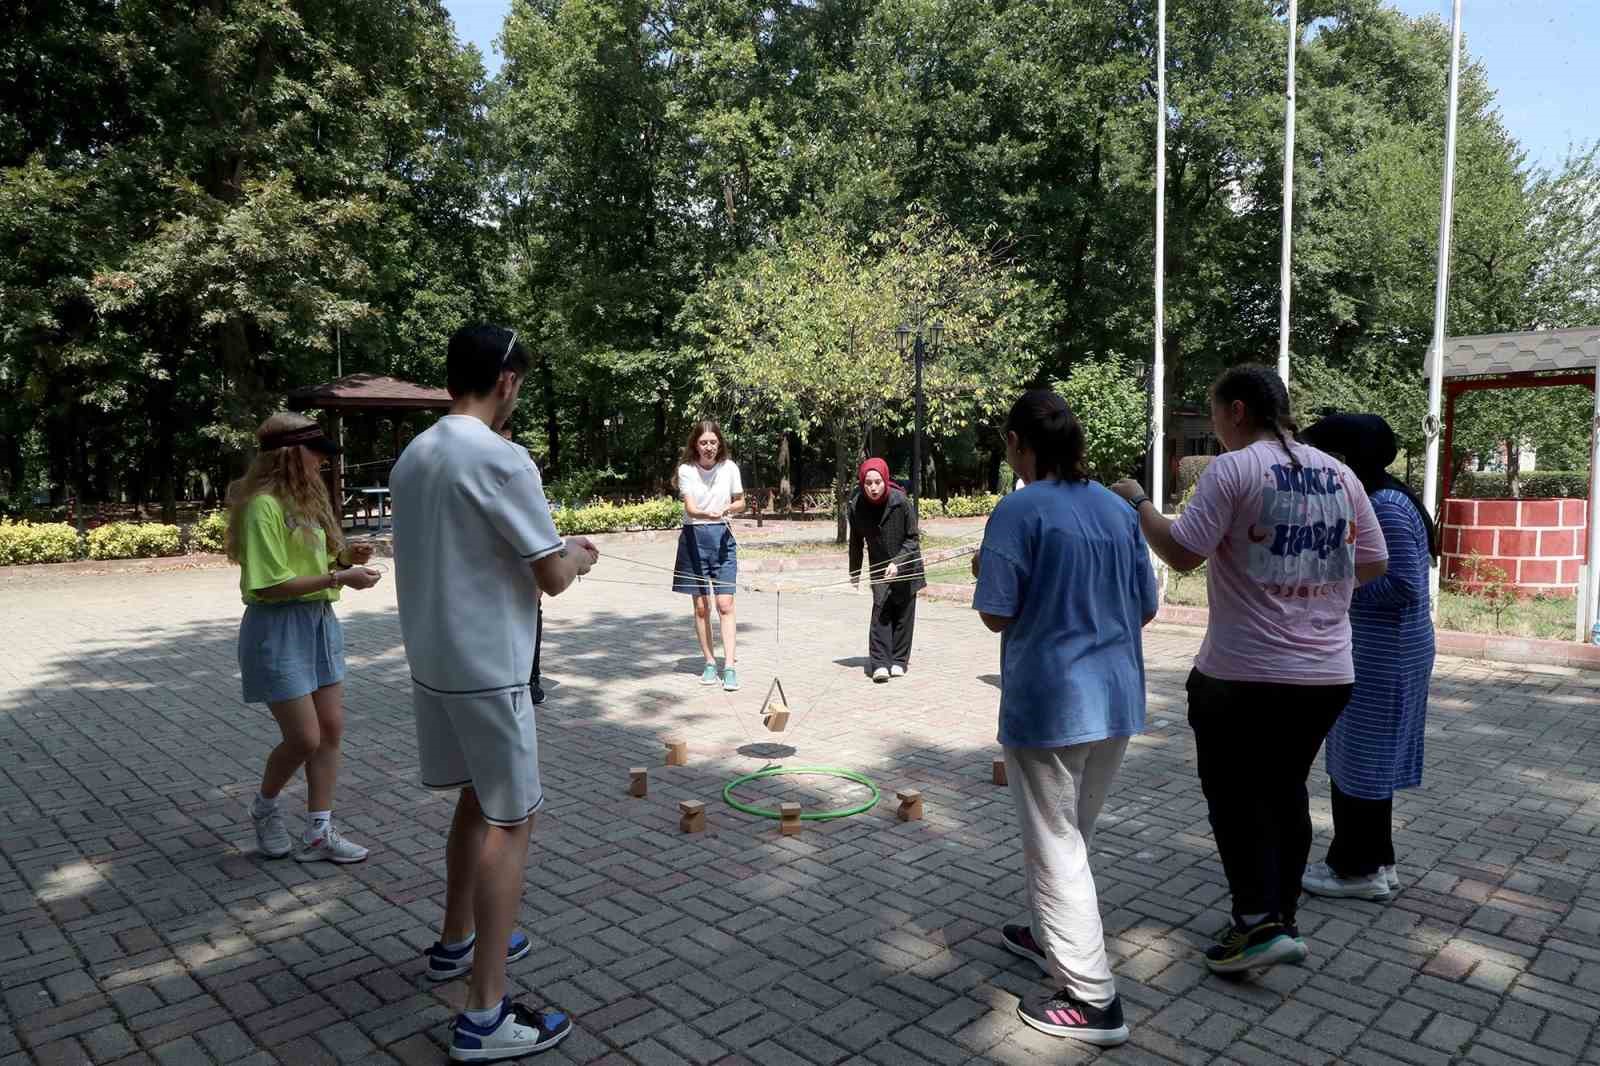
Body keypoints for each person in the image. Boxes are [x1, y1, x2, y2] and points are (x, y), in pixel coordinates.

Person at [1111, 364, 1388, 975]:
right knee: (1287, 792)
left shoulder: (1232, 469)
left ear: (1237, 410)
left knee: (1237, 801)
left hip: (1243, 674)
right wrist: (1311, 582)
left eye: (1213, 414)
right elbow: (1373, 563)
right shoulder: (1339, 474)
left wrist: (1138, 504)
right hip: (1325, 675)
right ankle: (1280, 918)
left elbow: (1182, 551)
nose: (1214, 426)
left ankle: (1257, 923)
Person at [390, 324, 599, 1061]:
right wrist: (578, 553)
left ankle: (456, 941)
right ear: (506, 380)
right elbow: (551, 574)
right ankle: (484, 1014)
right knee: (513, 820)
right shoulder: (503, 458)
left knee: (476, 800)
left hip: (434, 662)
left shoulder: (416, 453)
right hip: (491, 668)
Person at [973, 390, 1158, 1047]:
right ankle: (1052, 936)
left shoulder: (1018, 510)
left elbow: (997, 610)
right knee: (1072, 834)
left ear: (1021, 443)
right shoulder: (1115, 508)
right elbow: (1145, 607)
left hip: (1051, 703)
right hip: (1115, 699)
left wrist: (986, 571)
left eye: (1007, 442)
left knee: (1055, 847)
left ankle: (1092, 999)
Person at [227, 413, 383, 864]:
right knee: (304, 738)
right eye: (317, 454)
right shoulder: (262, 506)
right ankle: (265, 807)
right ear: (293, 454)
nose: (323, 463)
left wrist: (346, 555)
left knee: (330, 730)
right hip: (276, 629)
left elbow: (316, 564)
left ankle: (319, 832)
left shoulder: (306, 502)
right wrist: (340, 575)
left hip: (317, 622)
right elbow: (270, 584)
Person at [1299, 413, 1437, 901]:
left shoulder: (1387, 507)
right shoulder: (1383, 499)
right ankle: (1378, 862)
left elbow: (1401, 586)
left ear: (1344, 458)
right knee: (1363, 759)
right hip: (1382, 652)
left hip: (1387, 656)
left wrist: (1329, 577)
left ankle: (1355, 868)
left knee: (1363, 760)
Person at [673, 420, 745, 691]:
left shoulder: (730, 468)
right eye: (703, 442)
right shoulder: (686, 470)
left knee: (725, 604)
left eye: (713, 442)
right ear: (695, 445)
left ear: (719, 443)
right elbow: (691, 509)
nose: (708, 447)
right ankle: (709, 662)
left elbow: (741, 500)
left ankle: (729, 667)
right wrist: (709, 513)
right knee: (702, 606)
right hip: (694, 537)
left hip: (723, 538)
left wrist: (728, 508)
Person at [848, 457, 925, 681]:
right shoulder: (856, 506)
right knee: (881, 610)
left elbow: (913, 539)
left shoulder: (900, 501)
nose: (873, 487)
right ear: (862, 483)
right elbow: (855, 541)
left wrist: (898, 563)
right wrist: (855, 572)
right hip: (879, 565)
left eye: (878, 482)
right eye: (868, 483)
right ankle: (880, 662)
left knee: (903, 610)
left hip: (907, 563)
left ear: (886, 480)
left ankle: (899, 660)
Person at [498, 425, 547, 706]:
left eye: (506, 436)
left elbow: (537, 512)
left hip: (523, 555)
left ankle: (532, 678)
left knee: (531, 611)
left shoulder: (524, 462)